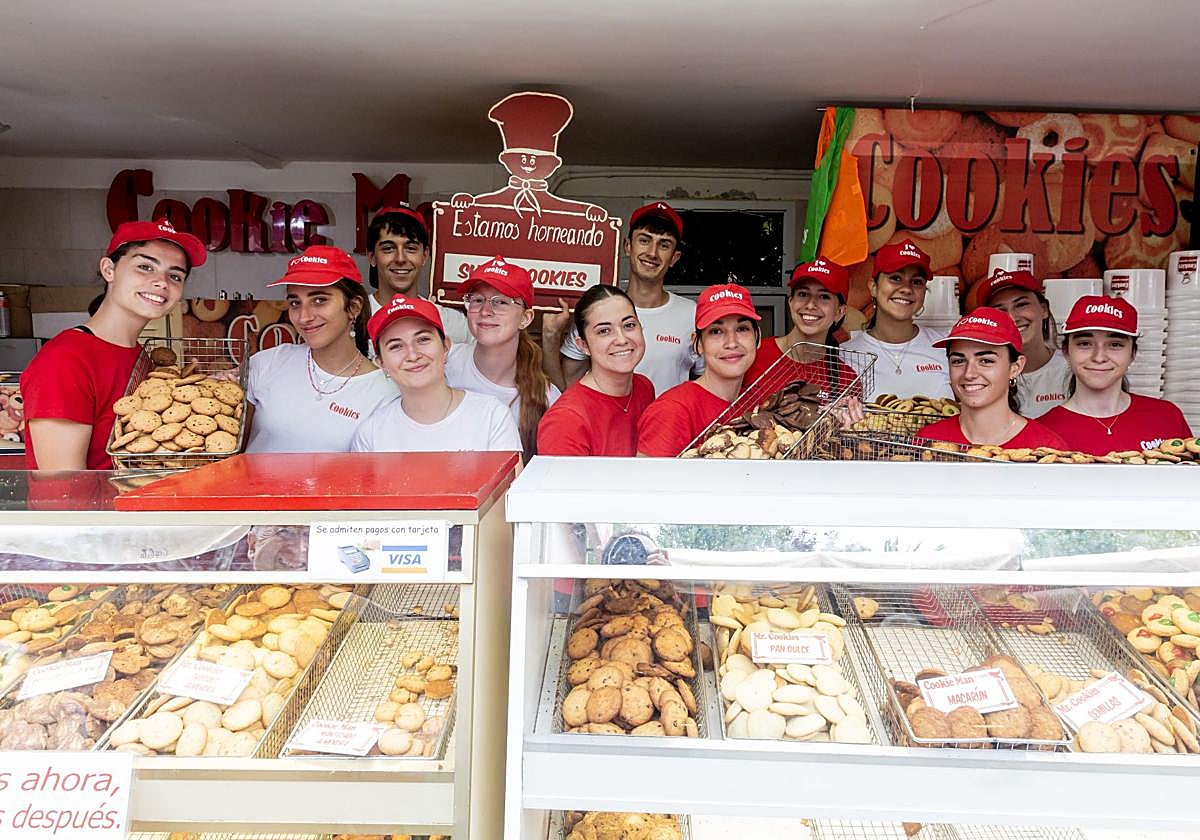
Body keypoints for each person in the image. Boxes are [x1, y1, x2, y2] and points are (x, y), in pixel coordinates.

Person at [21, 219, 206, 470]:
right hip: (100, 510)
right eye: (145, 267)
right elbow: (62, 489)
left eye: (175, 275)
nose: (162, 282)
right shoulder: (65, 360)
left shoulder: (141, 356)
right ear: (109, 270)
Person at [244, 246, 396, 453]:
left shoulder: (384, 394)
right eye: (295, 303)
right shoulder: (267, 363)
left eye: (319, 300)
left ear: (354, 307)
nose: (304, 317)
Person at [543, 201, 701, 395]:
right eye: (644, 240)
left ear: (675, 258)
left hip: (670, 426)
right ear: (627, 246)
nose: (652, 252)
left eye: (664, 244)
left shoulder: (692, 314)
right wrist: (550, 337)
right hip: (605, 425)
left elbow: (707, 386)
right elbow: (566, 389)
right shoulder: (598, 310)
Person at [351, 295, 520, 452]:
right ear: (381, 363)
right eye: (396, 346)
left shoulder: (491, 416)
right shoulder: (370, 436)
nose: (413, 355)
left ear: (446, 347)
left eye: (423, 339)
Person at [1039, 295, 1191, 454]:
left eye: (1115, 345)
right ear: (1066, 351)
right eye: (1085, 344)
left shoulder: (1167, 417)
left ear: (1132, 353)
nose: (1099, 357)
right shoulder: (1043, 431)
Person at [445, 256, 559, 458]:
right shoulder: (443, 364)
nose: (486, 311)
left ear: (525, 318)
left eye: (501, 302)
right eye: (477, 300)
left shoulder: (547, 397)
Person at [916, 307, 1068, 448]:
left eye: (986, 361)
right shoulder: (927, 441)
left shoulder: (1046, 447)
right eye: (958, 361)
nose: (969, 373)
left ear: (1015, 368)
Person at [637, 284, 760, 457]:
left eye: (742, 329)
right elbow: (647, 482)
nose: (732, 342)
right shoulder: (673, 411)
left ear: (756, 337)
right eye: (716, 331)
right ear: (698, 344)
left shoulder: (756, 404)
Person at [538, 285, 654, 456]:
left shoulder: (643, 387)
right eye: (604, 331)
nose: (621, 339)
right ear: (583, 345)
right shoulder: (565, 419)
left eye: (629, 325)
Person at [843, 239, 952, 401]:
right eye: (895, 278)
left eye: (916, 282)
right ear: (873, 287)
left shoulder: (946, 347)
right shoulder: (845, 355)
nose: (907, 289)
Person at [743, 258, 859, 399]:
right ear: (791, 302)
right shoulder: (752, 356)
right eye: (803, 294)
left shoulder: (848, 381)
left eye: (824, 296)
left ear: (839, 312)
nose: (810, 305)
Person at [366, 204, 470, 345]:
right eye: (388, 249)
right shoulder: (352, 318)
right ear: (372, 257)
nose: (400, 258)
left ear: (425, 256)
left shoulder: (453, 323)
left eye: (411, 248)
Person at [976, 268, 1070, 417]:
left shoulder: (1073, 369)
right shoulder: (980, 376)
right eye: (1000, 311)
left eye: (1021, 305)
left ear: (1043, 309)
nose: (1013, 318)